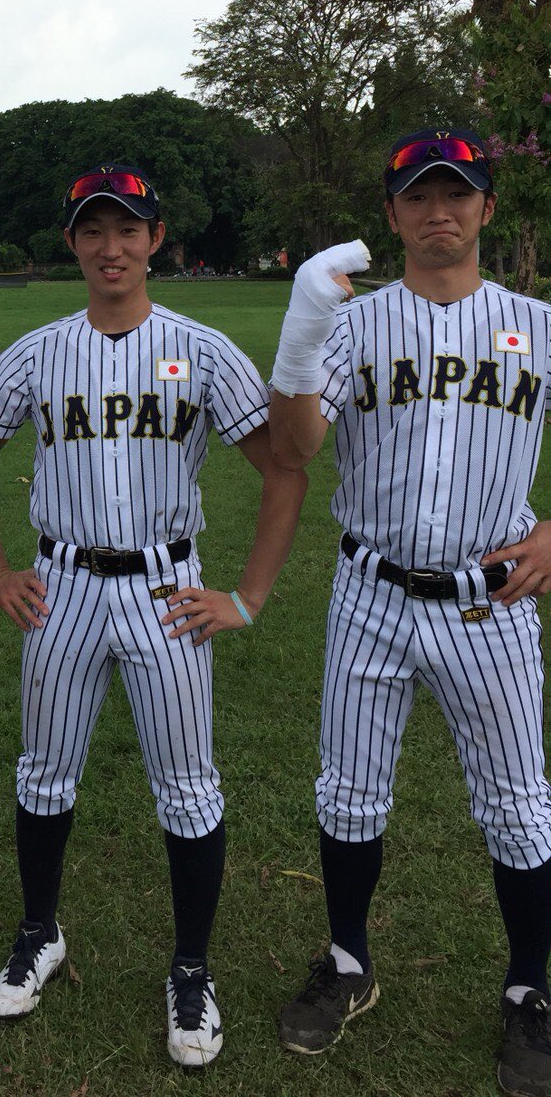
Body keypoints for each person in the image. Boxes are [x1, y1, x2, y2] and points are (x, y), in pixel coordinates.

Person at [0, 163, 307, 1066]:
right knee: (44, 776)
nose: (110, 247)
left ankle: (191, 969)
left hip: (165, 589)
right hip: (63, 585)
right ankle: (40, 932)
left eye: (127, 229)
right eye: (93, 229)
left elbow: (282, 468)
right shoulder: (36, 352)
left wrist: (248, 596)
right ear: (72, 242)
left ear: (156, 239)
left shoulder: (203, 349)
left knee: (188, 786)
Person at [269, 128, 551, 1096]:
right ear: (391, 215)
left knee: (517, 805)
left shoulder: (536, 323)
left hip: (489, 599)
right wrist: (302, 337)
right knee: (349, 793)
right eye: (419, 195)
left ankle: (529, 988)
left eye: (457, 193)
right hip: (372, 591)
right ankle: (348, 960)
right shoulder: (352, 325)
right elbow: (295, 448)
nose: (440, 211)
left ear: (485, 208)